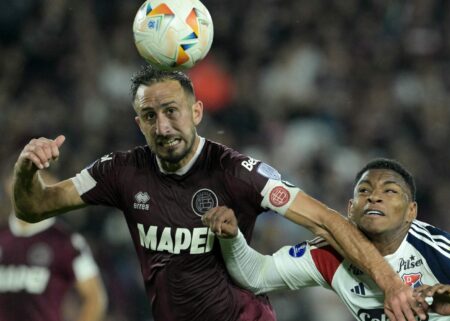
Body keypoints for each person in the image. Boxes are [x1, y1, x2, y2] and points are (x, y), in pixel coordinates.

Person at [11, 66, 426, 321]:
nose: (163, 126)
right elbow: (34, 208)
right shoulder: (120, 171)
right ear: (139, 123)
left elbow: (327, 221)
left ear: (196, 112)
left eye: (172, 111)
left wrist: (389, 283)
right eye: (150, 116)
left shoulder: (237, 172)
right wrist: (26, 171)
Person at [205, 158, 450, 321]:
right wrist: (232, 238)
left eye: (390, 191)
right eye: (364, 191)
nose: (375, 197)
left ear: (411, 212)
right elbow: (256, 275)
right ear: (349, 208)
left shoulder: (435, 249)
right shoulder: (328, 254)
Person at [0, 171, 107, 321]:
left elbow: (95, 299)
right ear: (8, 185)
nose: (30, 185)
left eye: (40, 178)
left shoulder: (66, 242)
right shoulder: (2, 236)